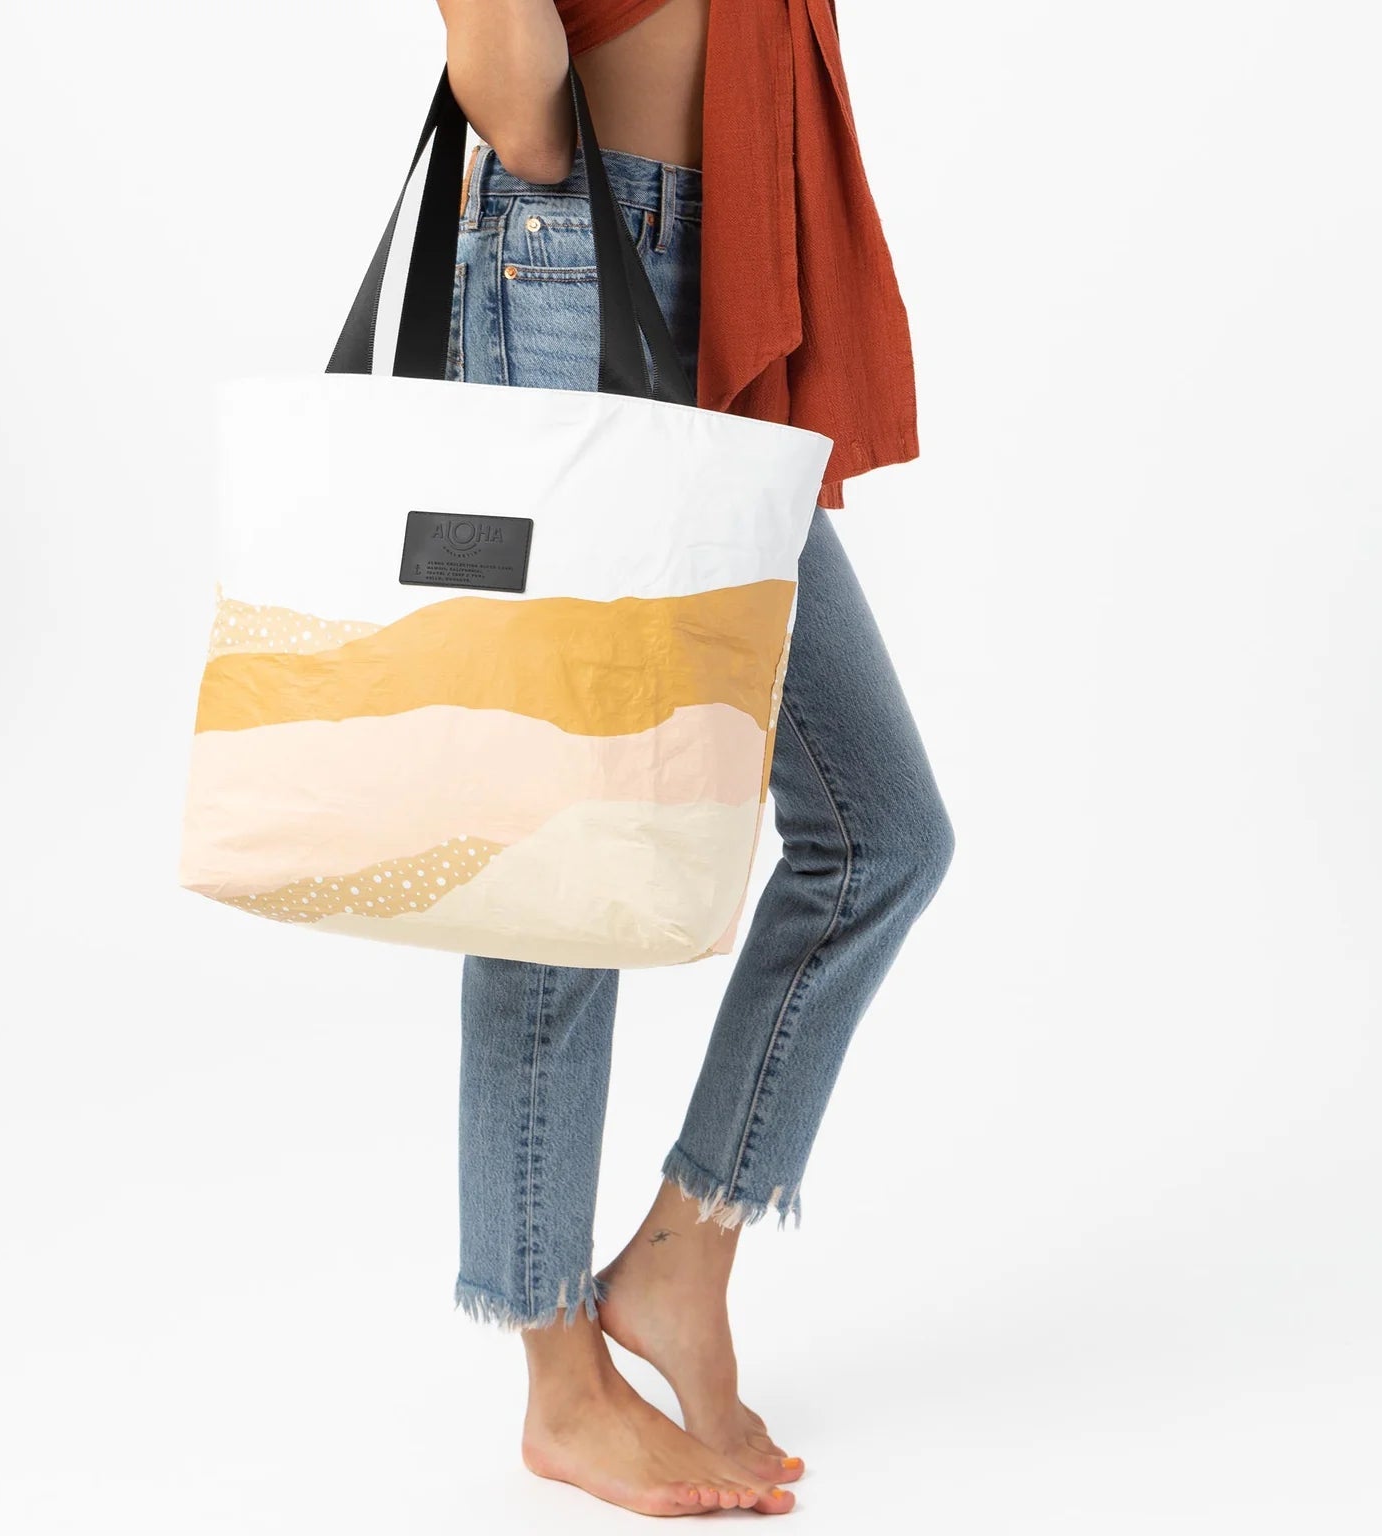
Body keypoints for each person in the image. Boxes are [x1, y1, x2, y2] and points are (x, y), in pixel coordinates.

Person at [438, 0, 954, 1516]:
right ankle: (557, 1381)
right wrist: (602, 224)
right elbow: (509, 89)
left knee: (881, 835)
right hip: (575, 258)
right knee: (563, 865)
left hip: (726, 255)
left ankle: (680, 1261)